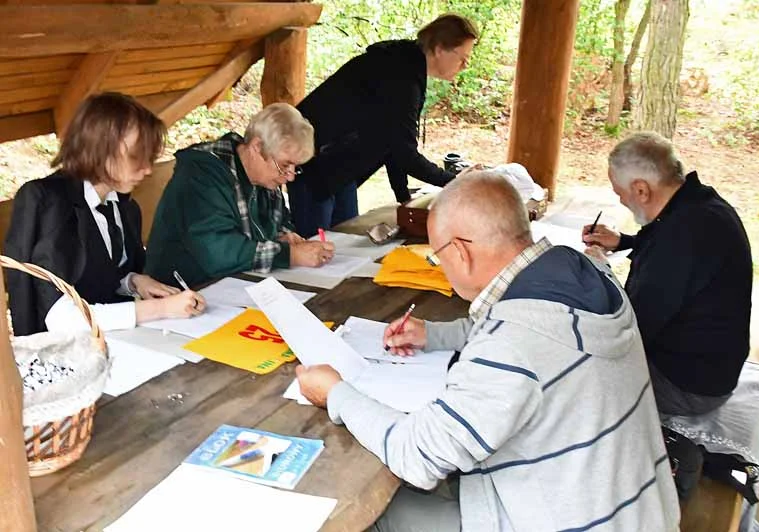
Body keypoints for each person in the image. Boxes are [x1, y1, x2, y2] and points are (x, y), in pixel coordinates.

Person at [296, 172, 680, 531]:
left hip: (568, 519)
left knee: (371, 510)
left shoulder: (510, 344)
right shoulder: (583, 272)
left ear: (460, 252)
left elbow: (417, 455)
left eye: (437, 257)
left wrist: (336, 394)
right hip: (635, 508)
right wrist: (435, 334)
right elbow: (525, 330)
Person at [5, 92, 205, 337]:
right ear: (100, 148)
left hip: (115, 340)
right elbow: (60, 317)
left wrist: (133, 281)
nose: (148, 169)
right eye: (136, 157)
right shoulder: (52, 203)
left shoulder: (122, 206)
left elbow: (97, 274)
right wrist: (159, 308)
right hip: (69, 353)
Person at [582, 132, 753, 416]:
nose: (622, 201)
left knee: (571, 367)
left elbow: (629, 325)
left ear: (640, 190)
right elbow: (672, 257)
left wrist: (601, 270)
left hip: (686, 386)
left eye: (620, 194)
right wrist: (624, 241)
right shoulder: (696, 206)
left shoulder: (684, 235)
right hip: (705, 366)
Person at [287, 14, 479, 237]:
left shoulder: (408, 67)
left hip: (342, 166)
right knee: (315, 249)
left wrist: (403, 196)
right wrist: (454, 182)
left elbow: (391, 141)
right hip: (313, 163)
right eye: (462, 58)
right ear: (439, 48)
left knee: (342, 244)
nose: (465, 65)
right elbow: (404, 152)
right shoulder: (401, 74)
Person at [144, 103, 335, 288]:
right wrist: (289, 255)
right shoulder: (201, 175)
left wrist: (285, 237)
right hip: (183, 293)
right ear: (257, 147)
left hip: (234, 285)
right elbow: (218, 252)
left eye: (296, 167)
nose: (291, 177)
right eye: (285, 165)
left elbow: (278, 223)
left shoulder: (264, 177)